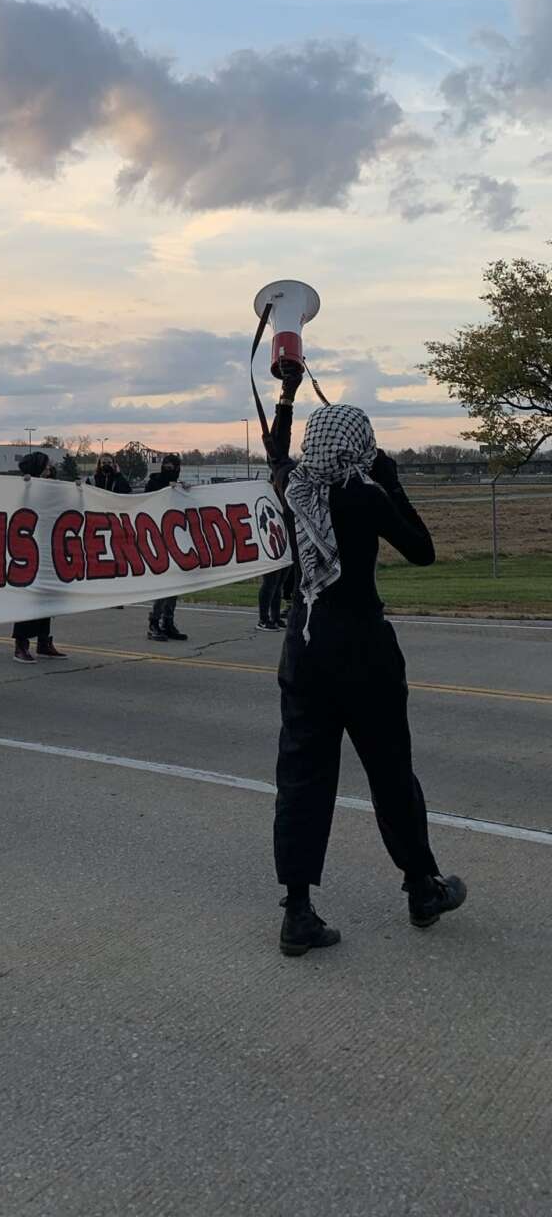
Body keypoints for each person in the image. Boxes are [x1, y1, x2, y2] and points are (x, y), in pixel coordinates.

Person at [269, 397, 466, 957]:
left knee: (302, 777)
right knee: (390, 772)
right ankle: (421, 887)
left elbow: (277, 454)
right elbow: (422, 551)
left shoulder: (292, 488)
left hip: (304, 645)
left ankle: (299, 911)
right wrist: (393, 481)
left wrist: (283, 397)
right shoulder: (366, 496)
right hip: (364, 650)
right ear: (359, 444)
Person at [12, 451, 67, 664]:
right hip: (28, 549)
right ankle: (21, 644)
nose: (49, 469)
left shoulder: (51, 486)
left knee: (47, 596)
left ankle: (44, 641)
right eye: (45, 465)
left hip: (48, 547)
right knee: (28, 597)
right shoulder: (24, 487)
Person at [144, 454, 189, 642]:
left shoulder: (179, 487)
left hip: (176, 538)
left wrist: (186, 491)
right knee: (163, 583)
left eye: (173, 466)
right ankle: (154, 622)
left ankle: (168, 621)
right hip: (158, 537)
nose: (170, 468)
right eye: (167, 465)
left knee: (175, 583)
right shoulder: (154, 483)